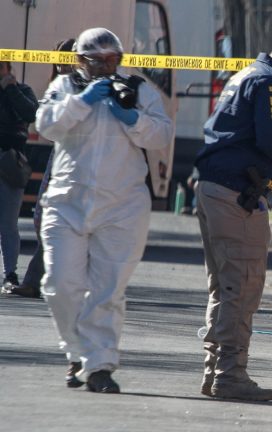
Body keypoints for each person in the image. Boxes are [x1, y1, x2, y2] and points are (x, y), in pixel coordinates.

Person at [36, 27, 172, 393]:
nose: (106, 67)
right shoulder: (66, 87)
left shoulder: (138, 90)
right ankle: (76, 352)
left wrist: (133, 119)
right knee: (60, 284)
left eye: (113, 60)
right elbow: (45, 125)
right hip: (67, 201)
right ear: (81, 60)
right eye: (97, 61)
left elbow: (162, 134)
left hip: (123, 205)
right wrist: (82, 102)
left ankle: (99, 366)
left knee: (106, 290)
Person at [194, 33, 272, 401]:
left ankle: (215, 370)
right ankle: (230, 374)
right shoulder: (271, 83)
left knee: (224, 287)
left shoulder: (244, 74)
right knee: (243, 287)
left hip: (213, 188)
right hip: (237, 196)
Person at [9, 38, 76, 299]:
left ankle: (37, 280)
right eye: (58, 60)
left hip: (76, 160)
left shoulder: (83, 88)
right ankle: (41, 279)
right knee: (43, 217)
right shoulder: (58, 86)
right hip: (57, 156)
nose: (62, 66)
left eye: (67, 60)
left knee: (61, 221)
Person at [0, 61, 38, 293]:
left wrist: (11, 89)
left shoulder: (22, 90)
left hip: (11, 162)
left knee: (8, 223)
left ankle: (10, 274)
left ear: (8, 68)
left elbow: (31, 114)